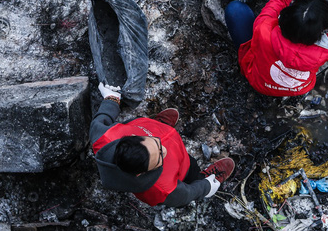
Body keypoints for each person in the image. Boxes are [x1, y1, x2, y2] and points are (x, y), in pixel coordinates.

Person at [90, 83, 235, 208]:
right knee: (191, 169)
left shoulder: (104, 137)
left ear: (133, 137)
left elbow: (103, 117)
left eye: (156, 142)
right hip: (182, 166)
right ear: (141, 173)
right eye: (159, 158)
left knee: (154, 130)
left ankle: (160, 126)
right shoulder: (163, 189)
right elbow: (187, 194)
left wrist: (111, 98)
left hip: (148, 128)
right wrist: (206, 187)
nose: (164, 149)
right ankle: (203, 176)